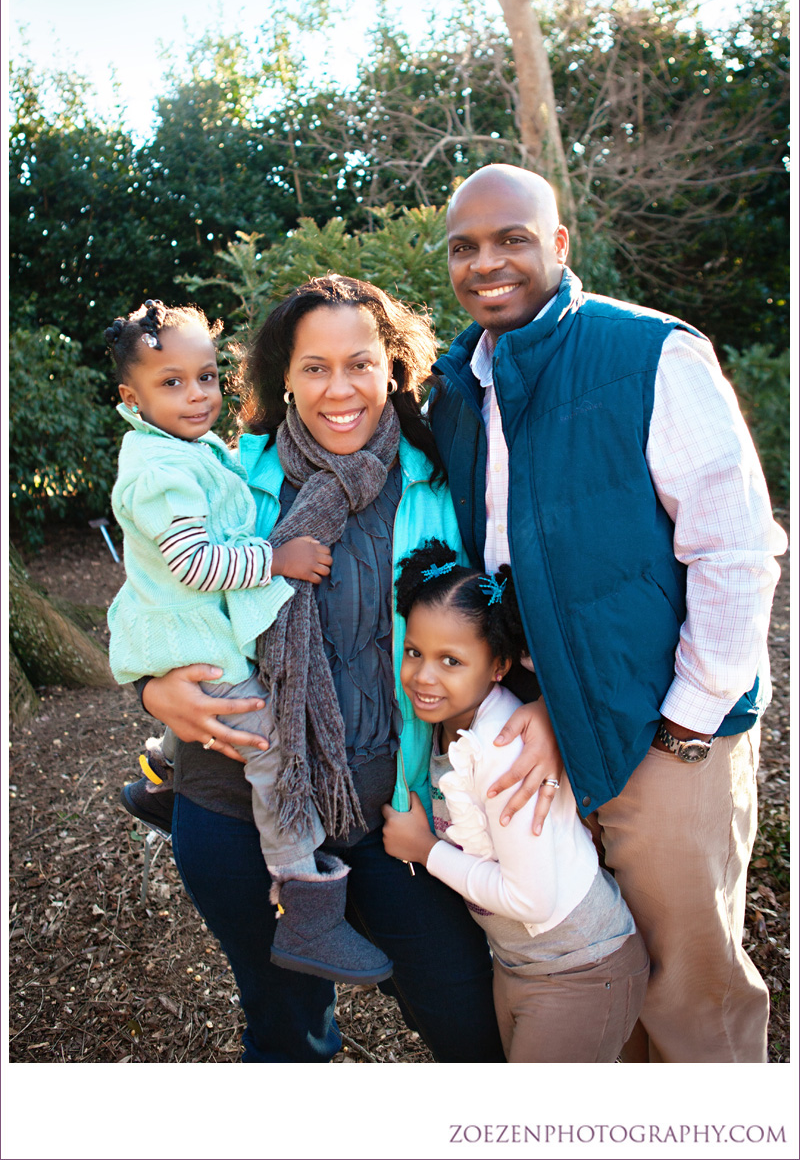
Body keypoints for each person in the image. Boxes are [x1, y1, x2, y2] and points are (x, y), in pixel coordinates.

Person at [429, 163, 787, 1063]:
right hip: (542, 725)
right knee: (598, 979)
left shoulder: (649, 353)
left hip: (663, 734)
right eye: (464, 247)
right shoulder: (459, 387)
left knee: (690, 994)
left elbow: (737, 548)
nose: (486, 262)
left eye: (512, 238)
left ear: (557, 243)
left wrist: (684, 725)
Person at [128, 276, 507, 1063]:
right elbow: (158, 594)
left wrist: (526, 708)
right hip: (239, 806)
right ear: (285, 378)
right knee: (290, 1034)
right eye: (314, 367)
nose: (340, 389)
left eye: (360, 363)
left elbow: (492, 621)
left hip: (391, 813)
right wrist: (152, 687)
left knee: (468, 1020)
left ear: (393, 369)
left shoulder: (441, 480)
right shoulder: (235, 478)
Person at [105, 299, 391, 985]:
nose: (196, 395)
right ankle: (307, 904)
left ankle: (163, 777)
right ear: (130, 395)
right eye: (170, 382)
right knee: (267, 745)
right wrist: (276, 557)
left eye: (206, 377)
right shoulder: (160, 470)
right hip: (190, 638)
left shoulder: (195, 449)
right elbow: (198, 562)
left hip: (198, 634)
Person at [382, 540, 649, 1062]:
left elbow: (532, 900)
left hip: (580, 967)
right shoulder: (447, 728)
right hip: (521, 961)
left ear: (498, 665)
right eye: (414, 651)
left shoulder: (504, 753)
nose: (424, 675)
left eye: (451, 660)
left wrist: (425, 851)